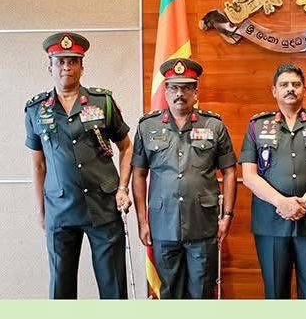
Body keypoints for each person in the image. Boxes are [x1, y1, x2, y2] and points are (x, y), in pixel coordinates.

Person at [25, 32, 133, 299]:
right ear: (50, 67)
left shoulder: (102, 102)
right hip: (60, 209)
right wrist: (41, 210)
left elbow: (126, 147)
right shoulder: (36, 109)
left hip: (103, 206)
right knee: (61, 289)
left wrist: (123, 188)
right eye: (60, 62)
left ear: (82, 67)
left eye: (73, 61)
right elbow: (38, 165)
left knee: (113, 287)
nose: (66, 67)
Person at [131, 58, 237, 299]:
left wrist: (227, 216)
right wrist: (142, 221)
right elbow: (138, 173)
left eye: (186, 88)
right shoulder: (147, 127)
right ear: (165, 91)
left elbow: (230, 171)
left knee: (202, 293)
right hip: (162, 225)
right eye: (174, 87)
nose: (180, 94)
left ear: (195, 92)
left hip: (202, 225)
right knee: (170, 294)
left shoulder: (214, 125)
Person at [240, 63, 306, 299]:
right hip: (271, 223)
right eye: (284, 84)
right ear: (274, 91)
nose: (290, 89)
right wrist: (282, 202)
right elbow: (249, 175)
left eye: (296, 84)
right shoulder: (257, 125)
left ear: (304, 89)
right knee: (276, 294)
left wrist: (304, 203)